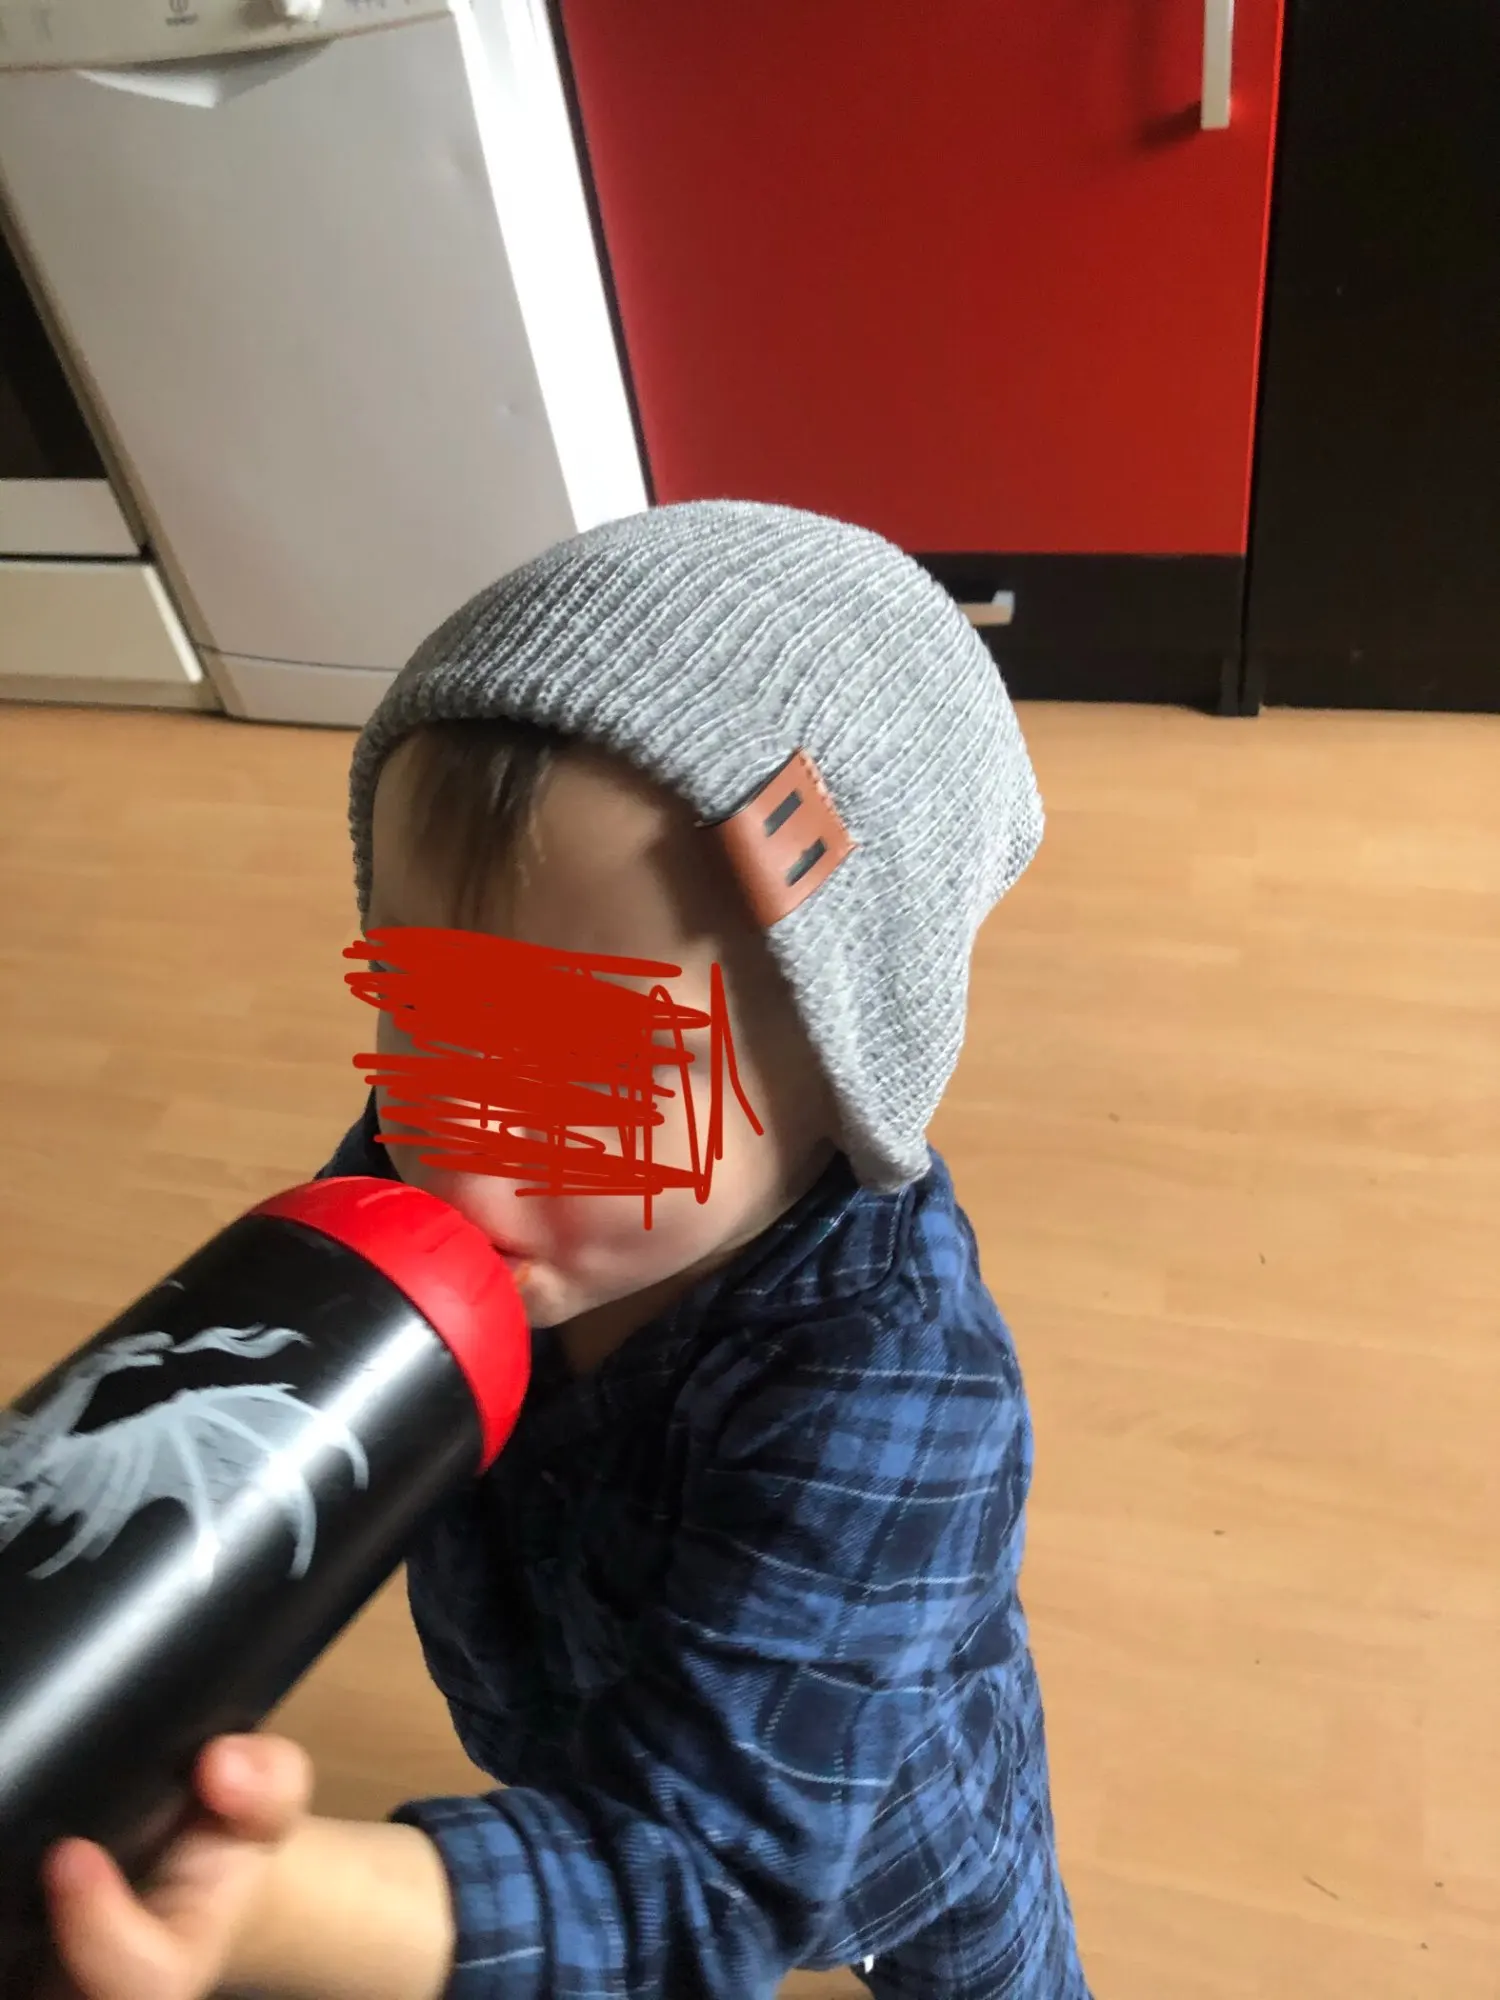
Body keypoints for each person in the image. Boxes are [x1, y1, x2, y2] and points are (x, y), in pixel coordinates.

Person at [37, 503, 1093, 2000]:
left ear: (850, 1069)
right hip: (550, 1715)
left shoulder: (896, 1385)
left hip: (888, 1819)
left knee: (994, 1968)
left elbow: (703, 1879)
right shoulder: (426, 1151)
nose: (463, 1163)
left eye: (589, 1076)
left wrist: (264, 1906)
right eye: (431, 1020)